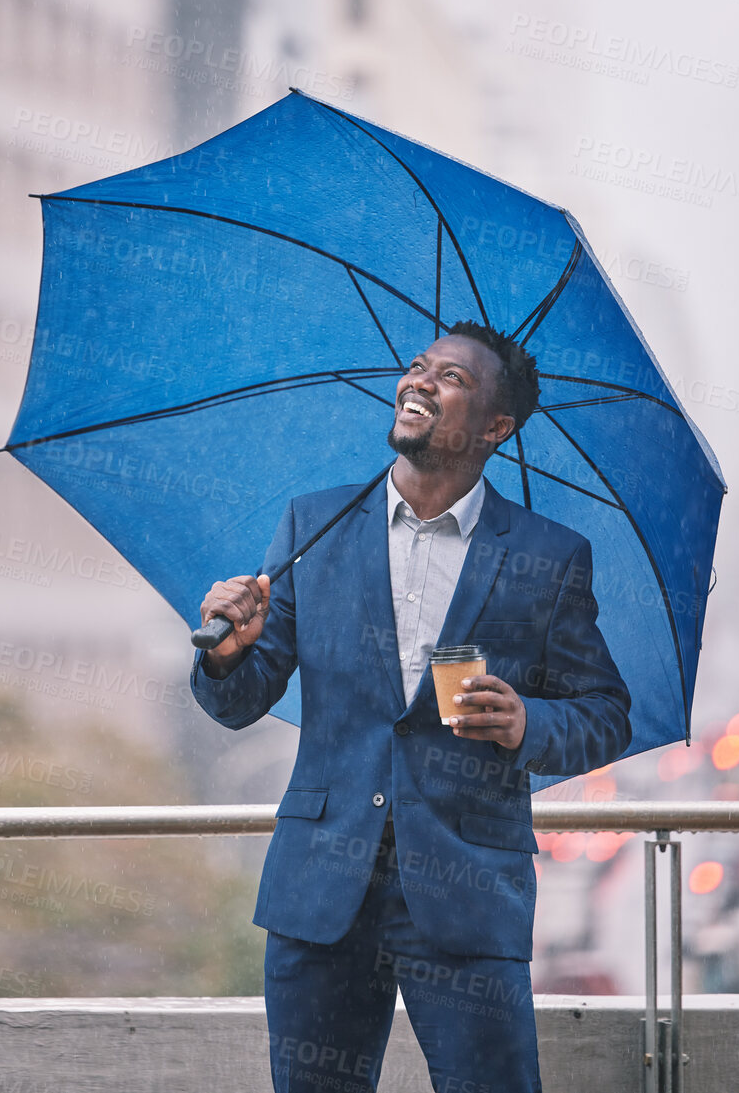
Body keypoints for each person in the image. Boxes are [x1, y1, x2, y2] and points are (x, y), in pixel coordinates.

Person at [192, 321, 631, 1093]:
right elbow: (241, 699)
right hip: (321, 885)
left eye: (452, 378)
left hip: (468, 888)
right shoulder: (312, 527)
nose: (420, 381)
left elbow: (604, 711)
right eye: (418, 367)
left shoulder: (548, 555)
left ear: (496, 427)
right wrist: (227, 654)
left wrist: (530, 722)